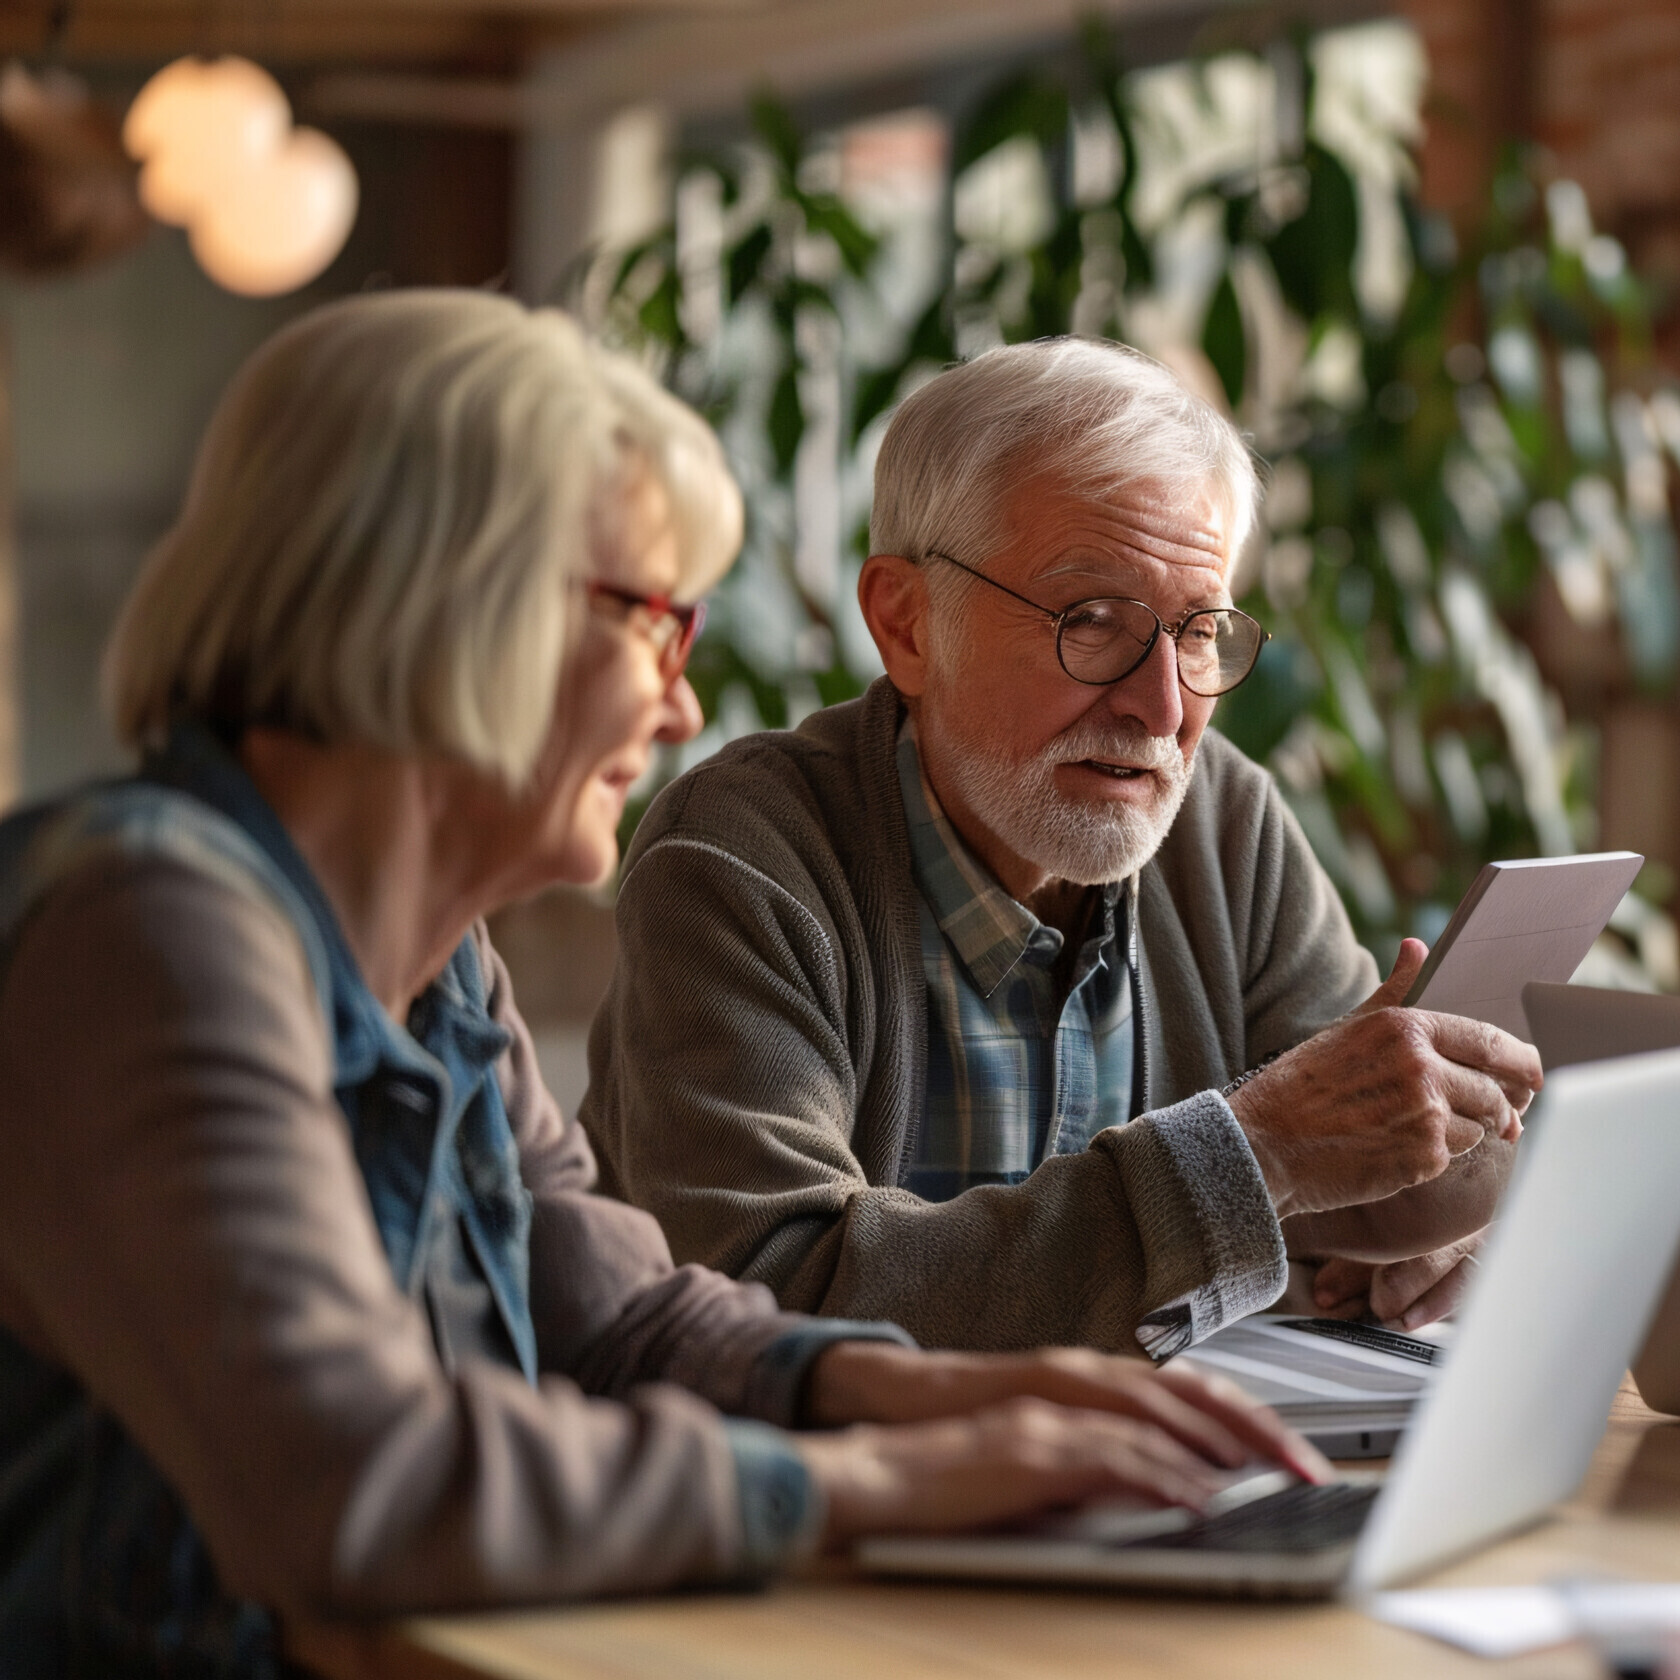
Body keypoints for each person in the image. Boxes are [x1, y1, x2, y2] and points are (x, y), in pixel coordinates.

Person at [0, 297, 1328, 1677]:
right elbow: (360, 1478)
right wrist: (874, 1482)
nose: (682, 707)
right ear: (451, 600)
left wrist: (943, 1397)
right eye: (651, 624)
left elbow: (625, 1320)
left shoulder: (436, 964)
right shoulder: (145, 937)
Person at [581, 338, 1542, 1358]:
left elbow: (1360, 1172)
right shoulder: (741, 859)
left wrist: (1450, 1210)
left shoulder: (1224, 825)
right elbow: (768, 1302)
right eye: (1092, 622)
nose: (1162, 709)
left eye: (1200, 632)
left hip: (1157, 1451)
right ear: (907, 625)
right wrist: (1253, 1158)